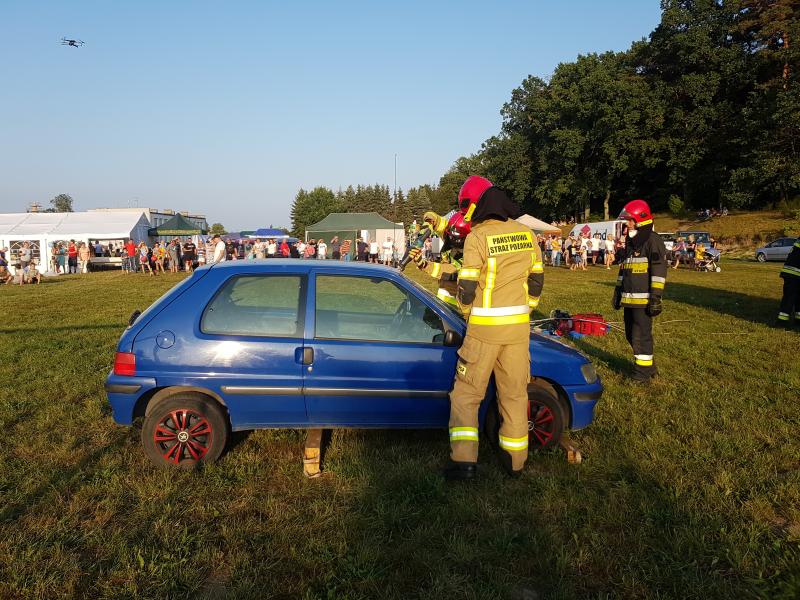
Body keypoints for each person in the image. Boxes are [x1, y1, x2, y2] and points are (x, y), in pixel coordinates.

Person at [445, 176, 544, 481]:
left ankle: (464, 463)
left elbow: (468, 285)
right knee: (514, 395)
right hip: (517, 331)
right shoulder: (526, 234)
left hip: (484, 330)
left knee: (466, 395)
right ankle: (515, 461)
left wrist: (467, 313)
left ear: (474, 205)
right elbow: (537, 281)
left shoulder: (478, 237)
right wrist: (525, 309)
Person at [612, 199, 667, 382]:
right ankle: (649, 367)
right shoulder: (632, 242)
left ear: (640, 220)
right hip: (629, 298)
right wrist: (618, 291)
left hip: (644, 300)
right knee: (631, 334)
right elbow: (624, 268)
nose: (627, 224)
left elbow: (659, 271)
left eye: (630, 220)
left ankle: (641, 374)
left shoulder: (653, 241)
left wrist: (656, 297)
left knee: (640, 335)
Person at [777, 238, 800, 326]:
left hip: (792, 272)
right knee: (790, 297)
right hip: (793, 273)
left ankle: (798, 320)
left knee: (797, 297)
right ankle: (782, 321)